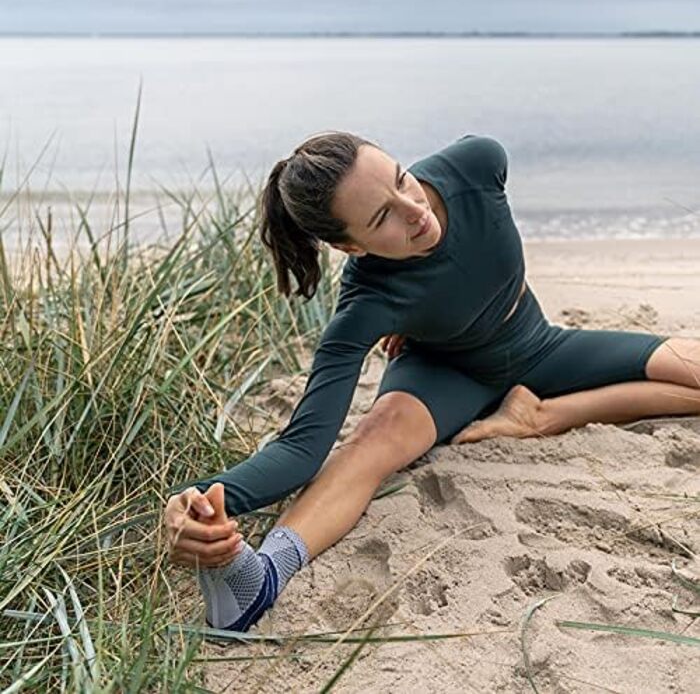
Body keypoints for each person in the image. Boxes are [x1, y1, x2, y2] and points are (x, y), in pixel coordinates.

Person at [163, 130, 700, 632]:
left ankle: (547, 415)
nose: (414, 210)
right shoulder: (365, 304)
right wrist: (204, 501)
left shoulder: (477, 164)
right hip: (446, 374)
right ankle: (267, 574)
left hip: (543, 346)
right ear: (352, 248)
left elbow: (471, 247)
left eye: (401, 179)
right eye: (382, 219)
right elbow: (304, 449)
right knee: (369, 444)